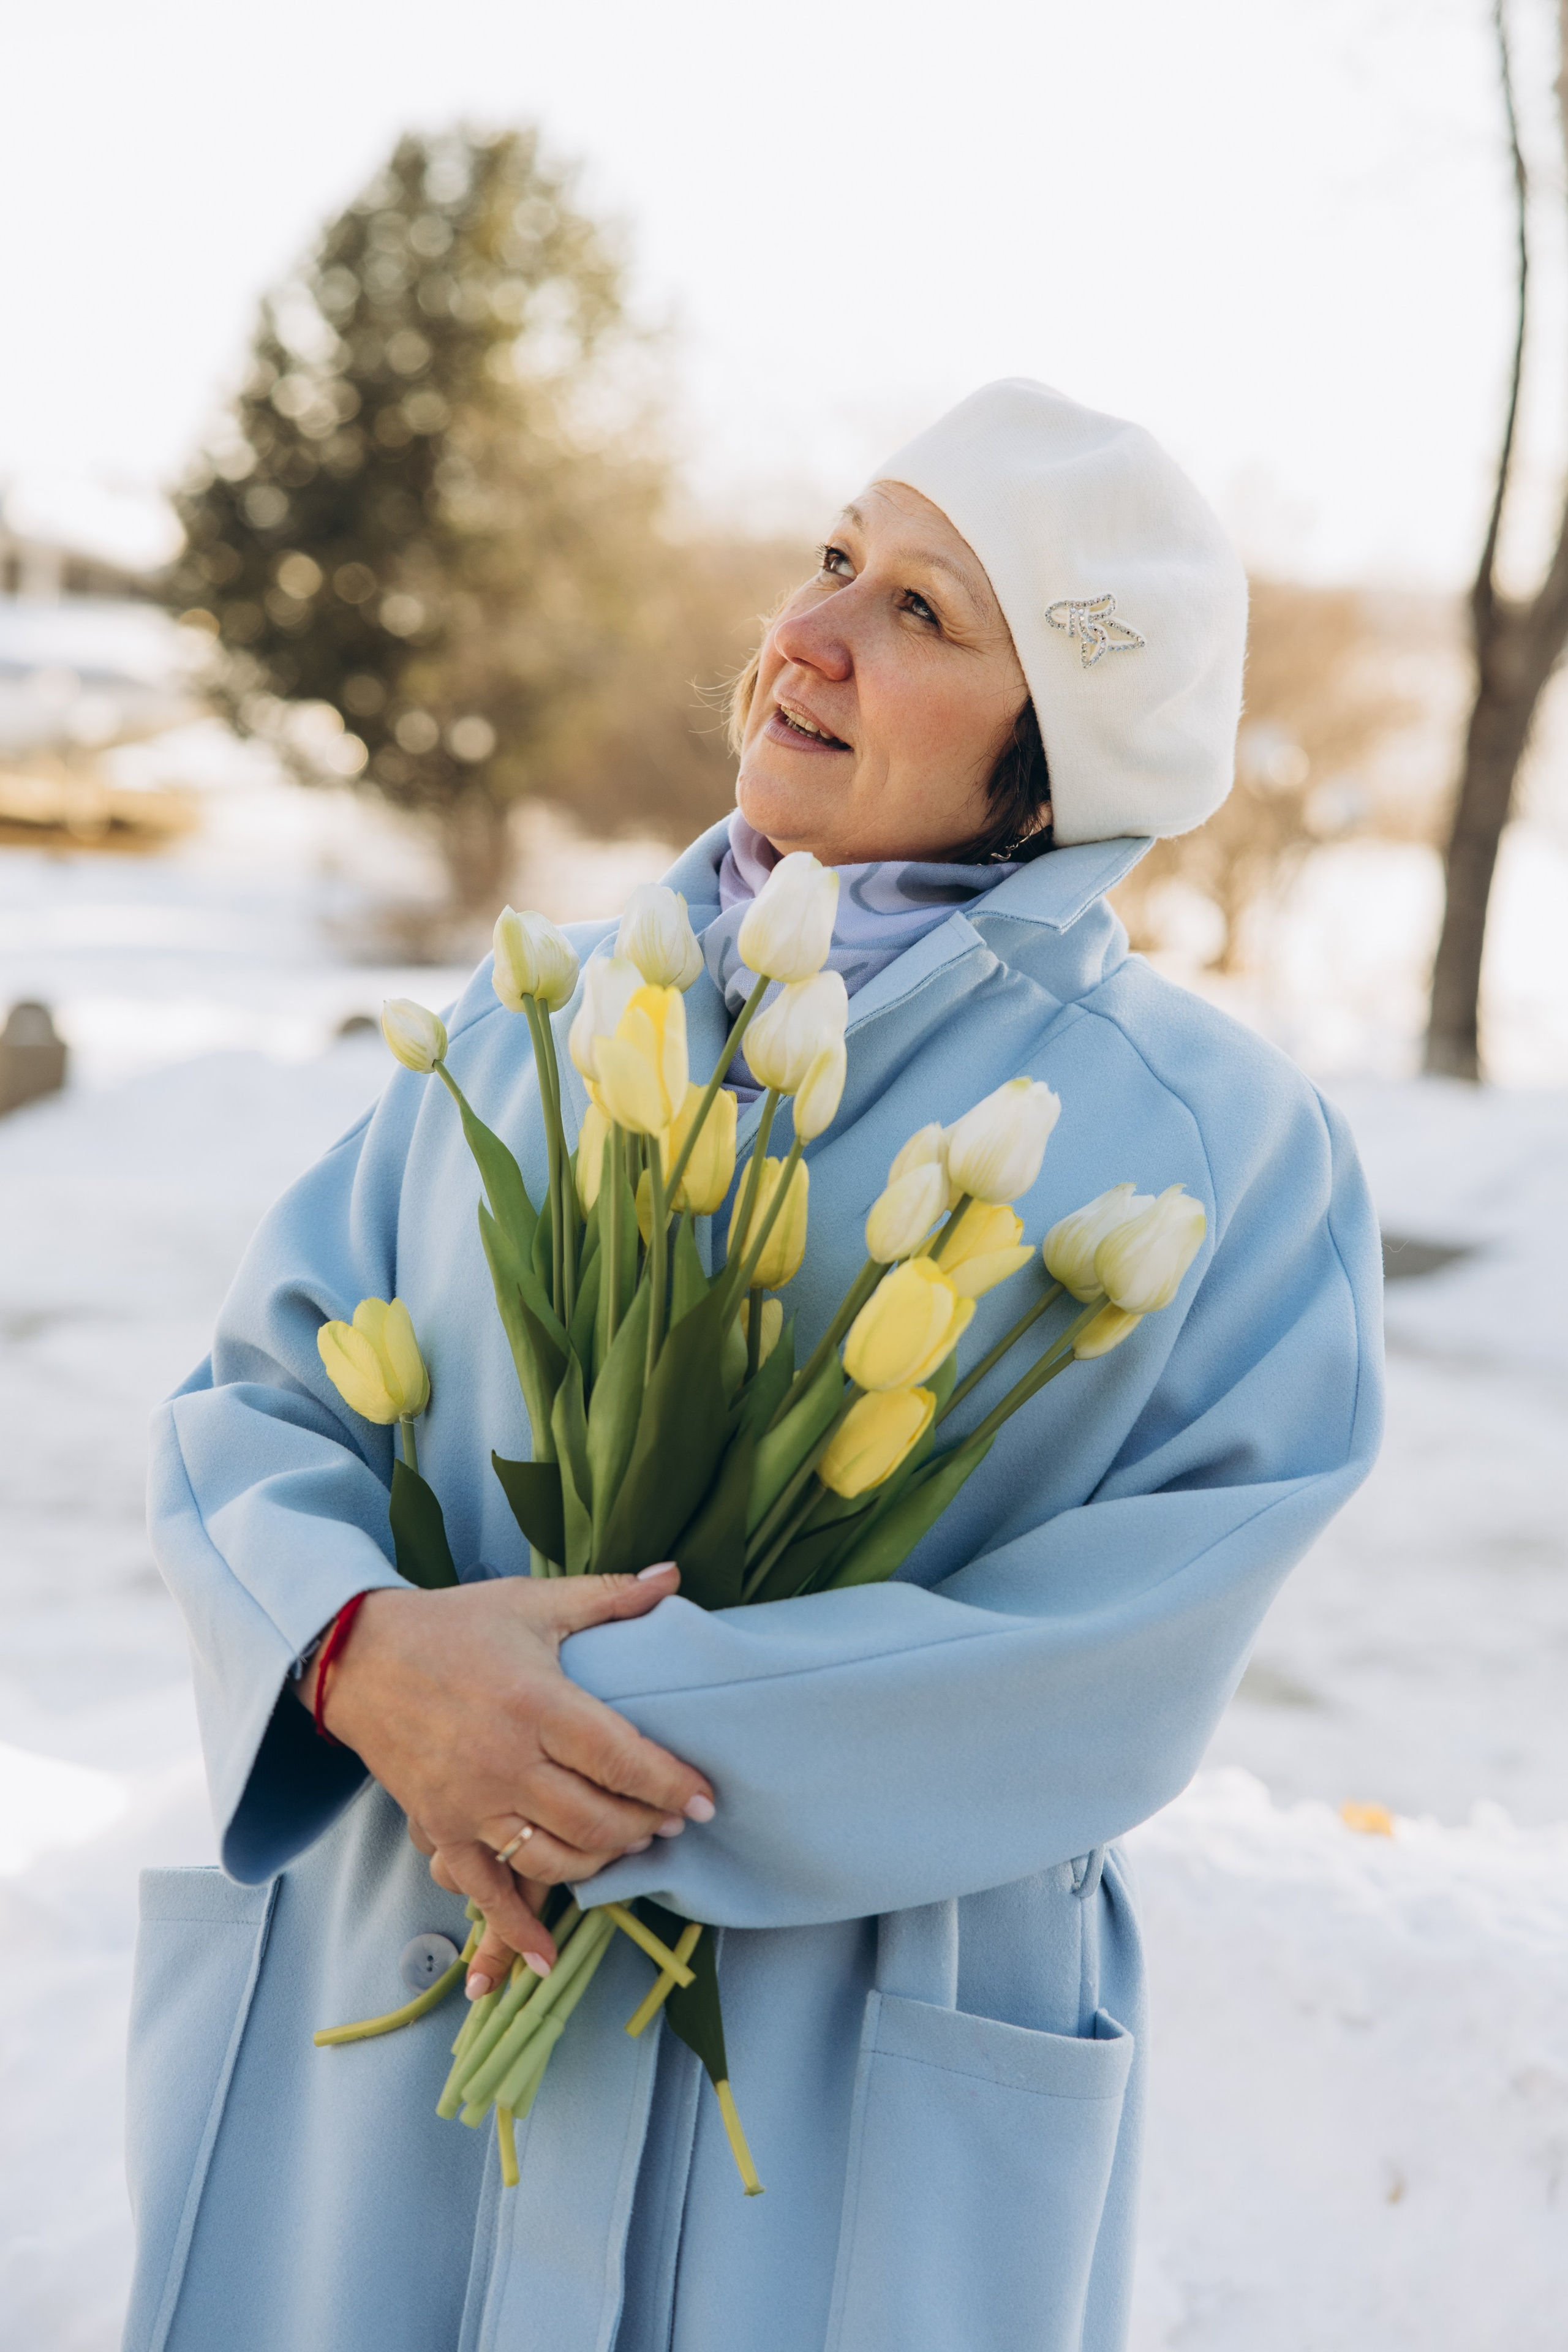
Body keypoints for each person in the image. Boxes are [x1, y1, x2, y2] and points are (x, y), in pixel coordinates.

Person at [128, 380, 1382, 2352]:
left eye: (925, 616)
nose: (809, 639)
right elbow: (251, 1410)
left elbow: (1122, 1648)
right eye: (835, 562)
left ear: (1058, 764)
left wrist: (554, 1740)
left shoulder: (1212, 1148)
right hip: (409, 1995)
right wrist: (367, 1654)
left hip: (828, 2075)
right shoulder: (546, 1009)